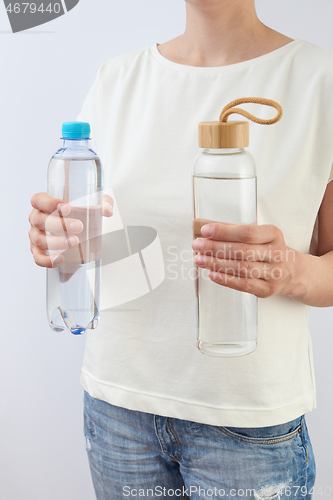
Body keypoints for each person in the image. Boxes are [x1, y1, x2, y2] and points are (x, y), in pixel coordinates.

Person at [28, 0, 333, 498]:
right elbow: (85, 246)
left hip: (246, 424)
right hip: (118, 412)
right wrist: (57, 240)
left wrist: (291, 271)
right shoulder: (116, 80)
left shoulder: (321, 79)